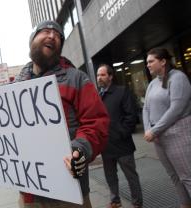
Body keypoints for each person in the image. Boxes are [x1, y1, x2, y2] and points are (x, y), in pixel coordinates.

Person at [16, 20, 109, 208]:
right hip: (29, 194)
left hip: (69, 194)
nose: (52, 36)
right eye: (46, 31)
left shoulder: (77, 78)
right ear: (32, 39)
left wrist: (79, 150)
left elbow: (96, 123)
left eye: (58, 35)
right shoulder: (15, 87)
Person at [143, 48, 191, 208]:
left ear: (163, 61)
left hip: (178, 135)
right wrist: (147, 128)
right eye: (147, 61)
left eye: (151, 61)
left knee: (187, 177)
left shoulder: (178, 78)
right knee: (174, 177)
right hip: (159, 139)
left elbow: (176, 109)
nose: (147, 64)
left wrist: (154, 130)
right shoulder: (152, 83)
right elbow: (146, 109)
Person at [97, 64, 143, 208]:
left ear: (110, 76)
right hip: (106, 146)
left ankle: (137, 203)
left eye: (103, 75)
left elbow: (131, 116)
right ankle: (115, 201)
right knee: (110, 176)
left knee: (131, 176)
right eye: (98, 75)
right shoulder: (98, 95)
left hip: (123, 144)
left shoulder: (122, 91)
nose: (99, 78)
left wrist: (121, 133)